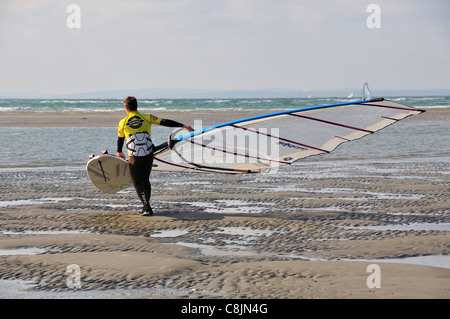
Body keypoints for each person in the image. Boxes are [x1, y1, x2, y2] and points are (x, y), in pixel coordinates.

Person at [117, 96, 193, 216]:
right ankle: (145, 206)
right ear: (137, 106)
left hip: (134, 158)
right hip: (148, 155)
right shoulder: (147, 117)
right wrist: (184, 126)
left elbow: (120, 139)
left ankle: (147, 208)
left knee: (137, 183)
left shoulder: (123, 122)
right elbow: (165, 122)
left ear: (126, 108)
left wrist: (119, 152)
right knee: (145, 180)